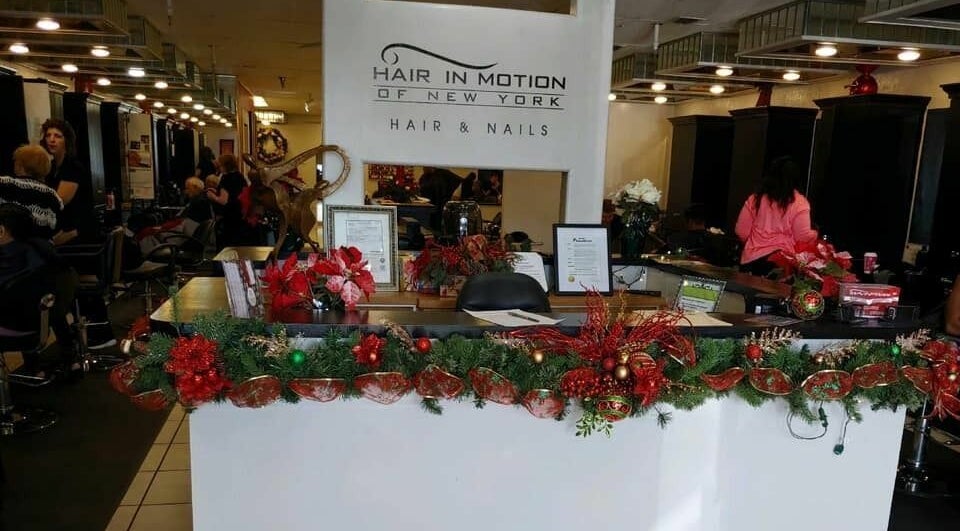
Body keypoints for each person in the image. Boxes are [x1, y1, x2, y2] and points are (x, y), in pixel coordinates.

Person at [0, 203, 81, 381]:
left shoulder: (7, 259)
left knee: (20, 302)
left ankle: (34, 369)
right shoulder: (44, 249)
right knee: (37, 298)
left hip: (18, 327)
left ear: (1, 230)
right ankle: (69, 359)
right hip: (46, 319)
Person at [734, 156, 817, 277]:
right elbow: (802, 237)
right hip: (781, 264)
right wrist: (814, 234)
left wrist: (755, 244)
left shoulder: (755, 199)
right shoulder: (800, 203)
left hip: (751, 261)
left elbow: (741, 231)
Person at [40, 118, 98, 245]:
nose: (51, 140)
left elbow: (59, 201)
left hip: (79, 232)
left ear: (66, 140)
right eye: (48, 135)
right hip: (62, 229)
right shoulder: (51, 166)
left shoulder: (73, 166)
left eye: (57, 136)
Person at [0, 144, 63, 240]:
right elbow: (55, 231)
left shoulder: (5, 183)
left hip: (8, 246)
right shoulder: (54, 196)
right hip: (40, 248)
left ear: (20, 166)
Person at [207, 153, 257, 248]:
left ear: (225, 166)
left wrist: (212, 196)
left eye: (220, 166)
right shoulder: (240, 177)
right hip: (241, 213)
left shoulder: (226, 178)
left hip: (229, 216)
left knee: (228, 244)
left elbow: (224, 201)